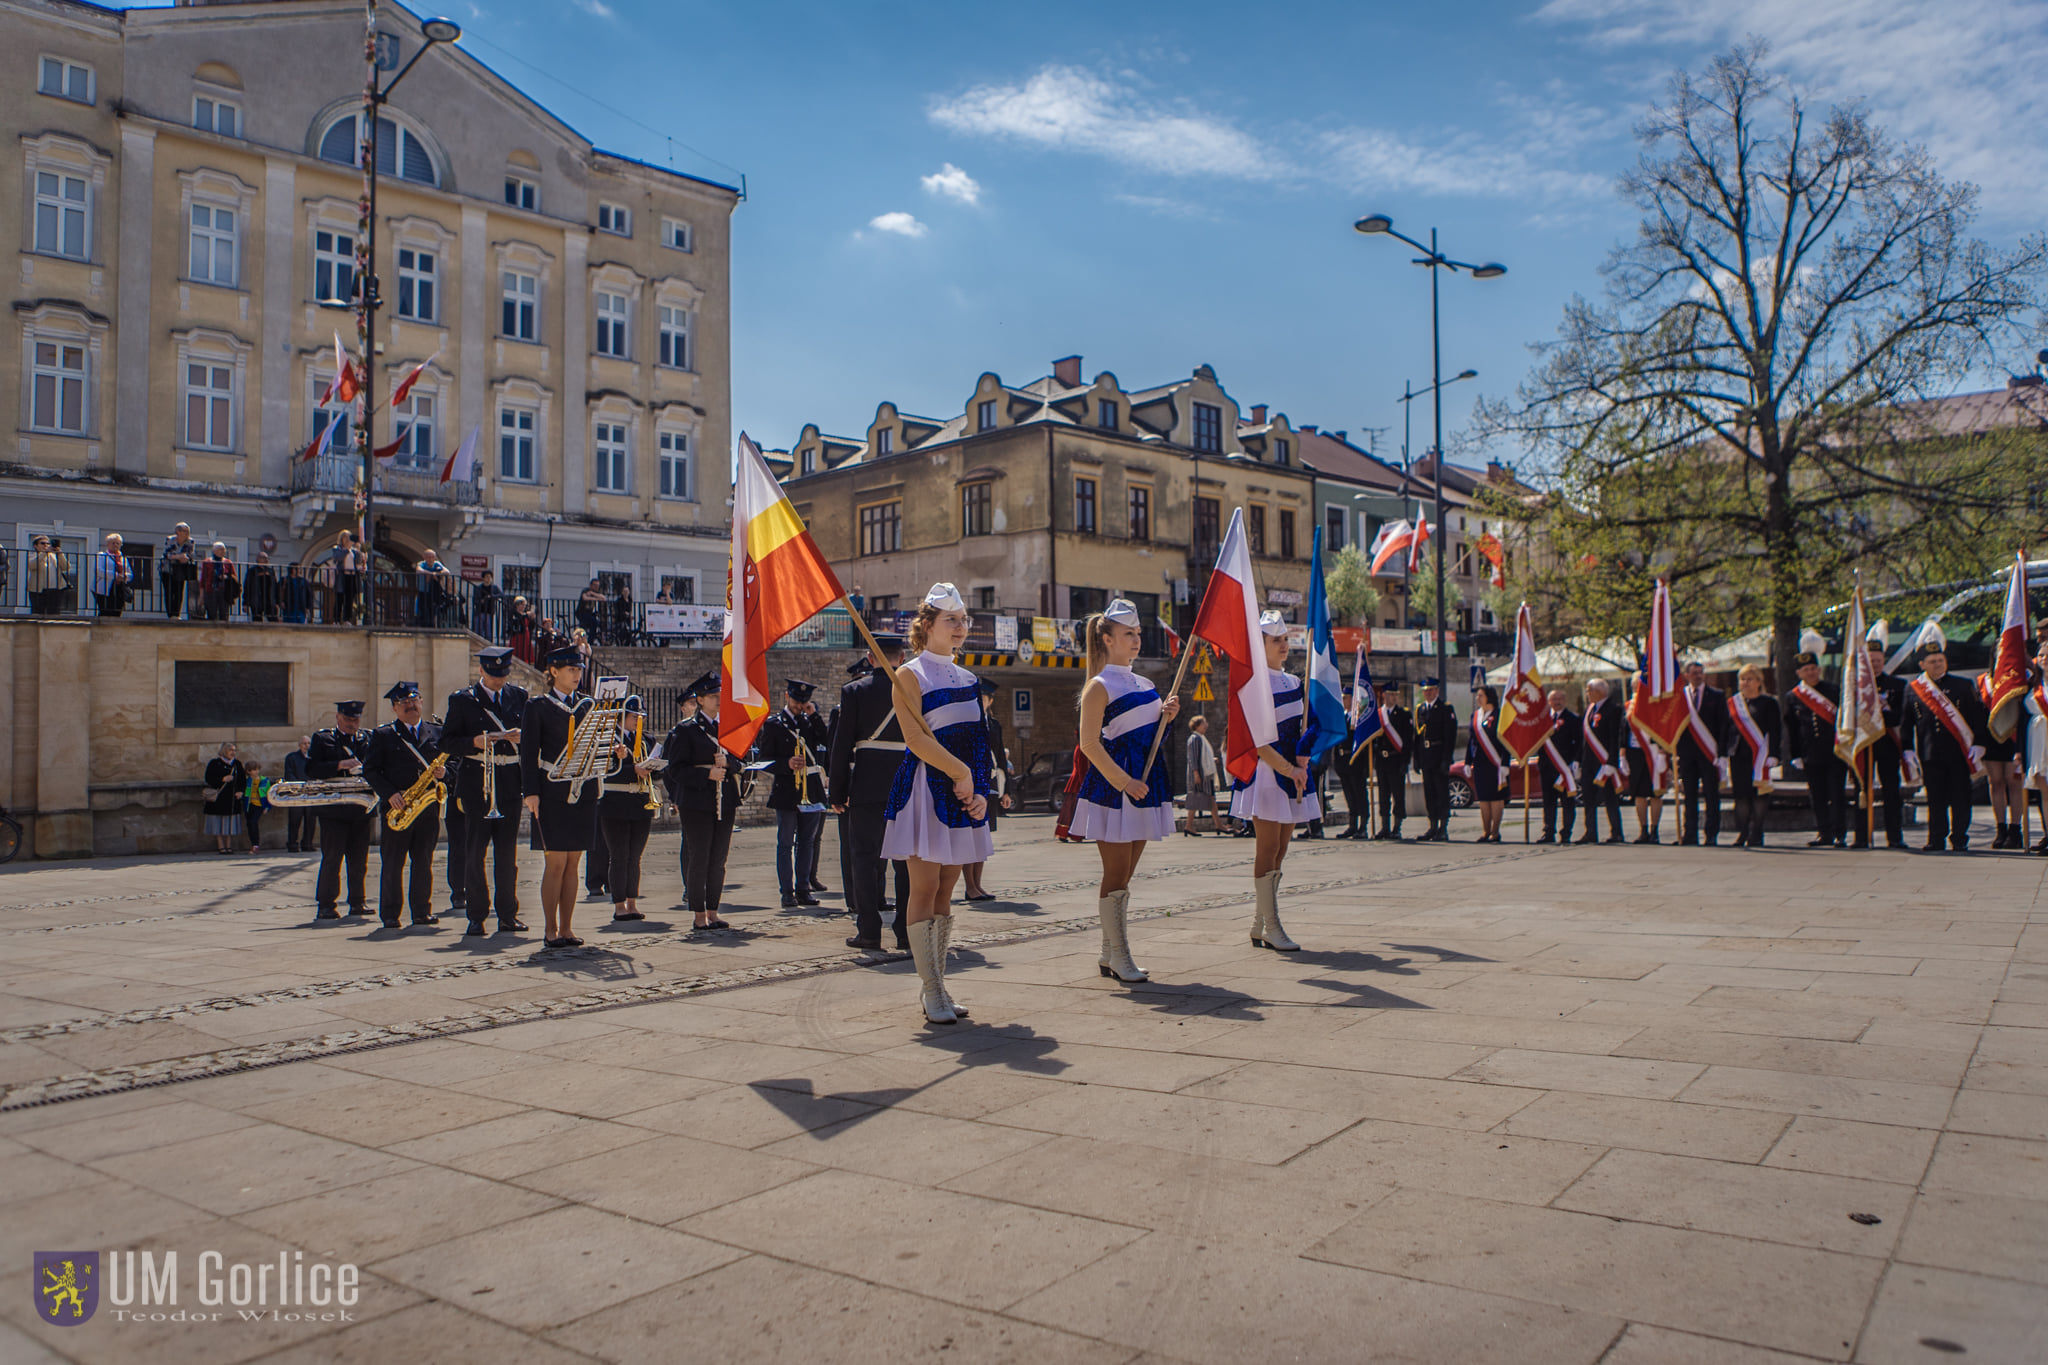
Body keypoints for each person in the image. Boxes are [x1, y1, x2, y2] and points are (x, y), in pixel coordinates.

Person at [881, 583, 993, 1024]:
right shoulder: (909, 675)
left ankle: (941, 985)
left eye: (964, 620)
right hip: (926, 790)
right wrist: (960, 774)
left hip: (963, 795)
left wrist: (979, 788)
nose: (961, 627)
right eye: (952, 620)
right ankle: (930, 990)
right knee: (924, 887)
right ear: (927, 625)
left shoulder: (969, 678)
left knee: (948, 888)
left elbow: (979, 741)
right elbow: (914, 740)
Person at [1071, 598, 1181, 982]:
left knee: (1128, 873)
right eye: (1127, 634)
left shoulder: (1147, 684)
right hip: (1115, 788)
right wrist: (1123, 782)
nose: (1136, 640)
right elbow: (1089, 744)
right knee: (1116, 874)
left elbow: (1150, 740)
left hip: (1145, 784)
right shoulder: (1098, 686)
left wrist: (1166, 716)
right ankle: (1119, 954)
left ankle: (1108, 951)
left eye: (1137, 634)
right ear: (1106, 639)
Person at [1230, 611, 1316, 951]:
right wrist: (1287, 768)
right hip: (1267, 774)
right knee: (1267, 848)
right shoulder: (1255, 684)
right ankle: (1273, 923)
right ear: (1260, 644)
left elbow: (1301, 729)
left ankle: (1261, 921)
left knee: (1281, 849)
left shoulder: (1295, 682)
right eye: (1275, 640)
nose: (1283, 645)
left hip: (1292, 774)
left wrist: (1304, 759)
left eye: (1285, 639)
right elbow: (1257, 741)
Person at [828, 636, 912, 951]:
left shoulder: (855, 691)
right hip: (906, 785)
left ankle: (869, 931)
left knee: (863, 859)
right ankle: (905, 932)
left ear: (869, 658)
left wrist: (837, 791)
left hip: (866, 786)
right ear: (901, 657)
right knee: (905, 862)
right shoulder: (913, 689)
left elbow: (841, 747)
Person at [439, 647, 529, 936]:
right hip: (477, 779)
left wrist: (520, 737)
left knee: (507, 853)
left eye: (502, 674)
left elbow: (532, 737)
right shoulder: (463, 700)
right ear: (481, 672)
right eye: (493, 675)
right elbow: (447, 742)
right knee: (474, 851)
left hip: (509, 780)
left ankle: (507, 914)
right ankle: (476, 915)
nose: (498, 680)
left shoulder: (518, 696)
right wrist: (474, 742)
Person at [521, 644, 602, 946]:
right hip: (551, 790)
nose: (577, 674)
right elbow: (528, 753)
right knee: (555, 862)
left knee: (573, 863)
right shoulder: (538, 706)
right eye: (571, 669)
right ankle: (550, 928)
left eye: (579, 669)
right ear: (553, 671)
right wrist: (530, 792)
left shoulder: (588, 705)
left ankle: (567, 927)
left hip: (582, 790)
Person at [363, 682, 444, 930]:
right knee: (393, 863)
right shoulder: (384, 735)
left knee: (423, 861)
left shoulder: (437, 732)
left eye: (413, 701)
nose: (410, 706)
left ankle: (421, 911)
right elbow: (371, 770)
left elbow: (454, 765)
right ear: (395, 709)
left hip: (427, 808)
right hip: (397, 809)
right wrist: (389, 794)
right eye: (403, 704)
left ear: (421, 702)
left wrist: (445, 773)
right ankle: (390, 914)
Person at [662, 672, 738, 932]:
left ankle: (714, 911)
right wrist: (706, 773)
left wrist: (728, 763)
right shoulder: (686, 730)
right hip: (697, 801)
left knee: (719, 858)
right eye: (713, 697)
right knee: (700, 856)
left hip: (724, 799)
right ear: (701, 700)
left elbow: (741, 761)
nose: (719, 701)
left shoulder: (728, 727)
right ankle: (698, 913)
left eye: (721, 696)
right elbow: (675, 769)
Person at [1906, 625, 1986, 852]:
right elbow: (1906, 722)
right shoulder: (1913, 689)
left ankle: (1959, 838)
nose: (1938, 664)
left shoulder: (1962, 685)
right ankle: (1936, 838)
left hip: (1959, 752)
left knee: (1961, 798)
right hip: (1930, 752)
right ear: (1922, 665)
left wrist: (1979, 744)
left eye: (1940, 660)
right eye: (1932, 662)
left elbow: (1977, 717)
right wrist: (1907, 749)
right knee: (1935, 800)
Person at [757, 679, 829, 908]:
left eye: (804, 701)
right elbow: (764, 761)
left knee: (807, 842)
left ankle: (804, 888)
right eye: (797, 700)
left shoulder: (810, 723)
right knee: (786, 843)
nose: (800, 705)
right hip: (787, 790)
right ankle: (787, 891)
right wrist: (786, 763)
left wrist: (814, 715)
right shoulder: (775, 725)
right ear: (787, 696)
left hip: (811, 789)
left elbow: (828, 740)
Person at [307, 701, 374, 917]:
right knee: (332, 858)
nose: (352, 724)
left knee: (359, 860)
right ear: (338, 717)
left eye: (356, 720)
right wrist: (338, 765)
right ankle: (326, 904)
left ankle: (357, 901)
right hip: (334, 809)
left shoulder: (368, 738)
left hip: (360, 807)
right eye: (348, 719)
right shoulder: (324, 738)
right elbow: (311, 768)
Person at [598, 695, 659, 922]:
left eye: (640, 716)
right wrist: (632, 769)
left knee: (635, 856)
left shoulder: (647, 739)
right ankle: (619, 904)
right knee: (619, 855)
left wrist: (654, 769)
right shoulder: (607, 738)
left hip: (640, 801)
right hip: (615, 801)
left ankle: (632, 901)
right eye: (634, 716)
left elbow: (658, 771)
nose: (638, 720)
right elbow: (603, 769)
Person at [1784, 640, 1845, 848]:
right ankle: (1823, 832)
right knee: (1817, 796)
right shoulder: (1793, 697)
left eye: (1813, 669)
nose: (1810, 673)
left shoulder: (1834, 691)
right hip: (1810, 753)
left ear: (1819, 670)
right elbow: (1792, 729)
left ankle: (1839, 834)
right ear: (1799, 674)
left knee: (1836, 794)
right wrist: (1795, 755)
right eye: (1806, 670)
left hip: (1834, 752)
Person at [962, 680, 1015, 900]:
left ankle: (978, 884)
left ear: (990, 701)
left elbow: (1001, 756)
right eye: (977, 698)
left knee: (983, 837)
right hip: (970, 783)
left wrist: (1007, 791)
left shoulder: (993, 725)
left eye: (984, 698)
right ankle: (970, 886)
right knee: (969, 836)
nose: (980, 702)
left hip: (989, 784)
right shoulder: (966, 723)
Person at [1857, 629, 1909, 850]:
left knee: (1891, 791)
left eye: (1878, 660)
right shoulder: (1856, 687)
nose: (1875, 664)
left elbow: (1901, 716)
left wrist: (1882, 713)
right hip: (1864, 744)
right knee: (1862, 790)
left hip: (1888, 742)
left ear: (1883, 660)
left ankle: (1894, 836)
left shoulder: (1897, 685)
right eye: (1871, 660)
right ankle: (1862, 836)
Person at [1726, 664, 1781, 848]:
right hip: (1738, 754)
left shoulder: (1768, 703)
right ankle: (1742, 833)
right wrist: (1721, 753)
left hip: (1760, 756)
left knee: (1759, 794)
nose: (1745, 683)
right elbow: (1725, 730)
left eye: (1750, 679)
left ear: (1759, 682)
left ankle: (1757, 832)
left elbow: (1775, 730)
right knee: (1741, 795)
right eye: (1742, 679)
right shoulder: (1733, 703)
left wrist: (1774, 754)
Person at [1676, 660, 1728, 846]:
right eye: (1694, 672)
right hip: (1687, 754)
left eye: (1701, 672)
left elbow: (1723, 725)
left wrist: (1722, 753)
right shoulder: (1680, 697)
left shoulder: (1717, 695)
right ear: (1687, 675)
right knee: (1689, 795)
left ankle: (1711, 834)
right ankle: (1689, 833)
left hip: (1710, 753)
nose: (1698, 675)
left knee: (1711, 795)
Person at [1975, 668, 2027, 850]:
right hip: (1991, 736)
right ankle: (2001, 829)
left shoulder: (2020, 677)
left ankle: (2015, 829)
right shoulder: (1983, 680)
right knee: (1995, 782)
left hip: (2013, 735)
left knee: (2014, 782)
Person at [1578, 678, 1628, 844]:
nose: (1587, 694)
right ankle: (1590, 832)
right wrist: (1579, 761)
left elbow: (1616, 737)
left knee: (1610, 799)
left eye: (1588, 690)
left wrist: (1612, 763)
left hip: (1604, 762)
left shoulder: (1613, 709)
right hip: (1589, 762)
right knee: (1588, 799)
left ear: (1598, 692)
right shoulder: (1589, 709)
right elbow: (1584, 739)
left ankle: (1616, 833)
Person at [1412, 677, 1457, 841]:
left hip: (1439, 755)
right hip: (1426, 756)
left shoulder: (1445, 708)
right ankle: (1432, 825)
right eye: (1425, 691)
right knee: (1429, 793)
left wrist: (1447, 759)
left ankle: (1443, 827)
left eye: (1431, 691)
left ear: (1437, 691)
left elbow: (1450, 736)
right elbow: (1417, 737)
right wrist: (1416, 759)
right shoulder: (1420, 709)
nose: (1428, 694)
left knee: (1441, 792)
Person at [1369, 681, 1414, 841]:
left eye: (1396, 694)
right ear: (1383, 695)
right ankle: (1385, 827)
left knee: (1398, 796)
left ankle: (1397, 827)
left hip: (1397, 760)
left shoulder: (1404, 714)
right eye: (1391, 694)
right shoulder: (1377, 714)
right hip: (1382, 760)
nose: (1393, 697)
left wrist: (1405, 762)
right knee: (1383, 796)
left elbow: (1408, 741)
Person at [1626, 679, 1669, 844]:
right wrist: (1622, 754)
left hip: (1654, 752)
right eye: (1636, 685)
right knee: (1639, 795)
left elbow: (1662, 728)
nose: (1638, 687)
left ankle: (1654, 830)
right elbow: (1624, 731)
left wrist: (1662, 751)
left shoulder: (1655, 704)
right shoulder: (1627, 706)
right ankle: (1643, 830)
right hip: (1634, 754)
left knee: (1656, 793)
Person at [1539, 688, 1582, 844]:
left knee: (1567, 802)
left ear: (1565, 700)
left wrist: (1576, 761)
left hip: (1565, 768)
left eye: (1560, 699)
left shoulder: (1573, 719)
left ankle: (1566, 833)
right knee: (1548, 801)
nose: (1557, 702)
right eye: (1553, 699)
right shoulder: (1543, 720)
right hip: (1546, 767)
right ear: (1549, 702)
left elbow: (1579, 742)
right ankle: (1548, 831)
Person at [1466, 685, 1508, 843]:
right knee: (1483, 798)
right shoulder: (1476, 716)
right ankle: (1485, 831)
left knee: (1496, 798)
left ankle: (1495, 832)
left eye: (1481, 695)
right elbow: (1472, 740)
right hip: (1480, 763)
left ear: (1489, 697)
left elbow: (1505, 741)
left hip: (1496, 763)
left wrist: (1505, 763)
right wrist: (1468, 761)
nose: (1478, 698)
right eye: (1477, 696)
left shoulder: (1500, 715)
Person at [2024, 638, 2048, 854]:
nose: (2045, 659)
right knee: (2045, 792)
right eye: (2042, 655)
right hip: (2039, 740)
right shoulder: (2033, 684)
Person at [202, 741, 244, 853]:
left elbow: (242, 780)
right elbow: (208, 778)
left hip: (232, 799)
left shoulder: (237, 764)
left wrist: (240, 791)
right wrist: (222, 779)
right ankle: (221, 846)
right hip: (219, 799)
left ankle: (228, 846)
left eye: (234, 750)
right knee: (218, 823)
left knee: (229, 825)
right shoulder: (215, 763)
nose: (233, 753)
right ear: (224, 751)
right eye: (231, 750)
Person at [1184, 714, 1221, 836]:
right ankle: (1218, 825)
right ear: (1197, 725)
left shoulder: (1201, 738)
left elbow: (1202, 757)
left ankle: (1189, 826)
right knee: (1203, 798)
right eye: (1204, 722)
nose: (1206, 725)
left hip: (1203, 774)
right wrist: (1196, 774)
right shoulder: (1195, 739)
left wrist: (1211, 760)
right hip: (1199, 775)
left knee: (1208, 798)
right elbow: (1193, 758)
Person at [283, 735, 318, 853]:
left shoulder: (314, 758)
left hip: (311, 793)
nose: (306, 746)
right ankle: (292, 844)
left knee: (310, 820)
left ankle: (307, 844)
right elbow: (289, 774)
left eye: (308, 743)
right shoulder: (292, 758)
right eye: (304, 743)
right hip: (296, 793)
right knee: (294, 820)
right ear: (299, 745)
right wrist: (299, 786)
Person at [25, 535, 71, 617]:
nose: (45, 545)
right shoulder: (33, 555)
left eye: (48, 543)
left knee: (54, 613)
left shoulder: (54, 556)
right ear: (35, 546)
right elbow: (32, 565)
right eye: (42, 543)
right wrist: (44, 553)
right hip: (38, 590)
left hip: (56, 589)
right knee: (38, 612)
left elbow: (66, 567)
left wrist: (60, 553)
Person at [326, 531, 366, 625]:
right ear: (341, 539)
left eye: (349, 537)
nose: (347, 539)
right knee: (339, 598)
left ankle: (347, 619)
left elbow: (359, 562)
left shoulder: (354, 551)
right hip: (342, 575)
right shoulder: (337, 549)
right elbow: (338, 558)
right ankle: (336, 620)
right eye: (345, 537)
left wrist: (359, 551)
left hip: (352, 576)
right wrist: (347, 549)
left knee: (349, 599)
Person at [160, 523, 198, 620]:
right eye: (184, 531)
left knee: (179, 591)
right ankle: (170, 614)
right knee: (169, 591)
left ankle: (176, 614)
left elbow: (190, 555)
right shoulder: (170, 540)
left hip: (181, 570)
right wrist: (178, 556)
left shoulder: (190, 542)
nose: (186, 533)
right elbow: (166, 554)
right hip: (167, 569)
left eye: (187, 531)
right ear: (178, 532)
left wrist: (185, 558)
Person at [93, 533, 131, 618]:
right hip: (104, 589)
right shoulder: (102, 556)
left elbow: (130, 574)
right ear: (107, 544)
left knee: (117, 611)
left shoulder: (123, 558)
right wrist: (115, 575)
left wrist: (124, 576)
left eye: (118, 543)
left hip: (119, 588)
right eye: (113, 543)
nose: (115, 545)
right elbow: (99, 571)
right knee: (105, 611)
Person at [242, 760, 271, 853]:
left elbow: (269, 794)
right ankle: (253, 844)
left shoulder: (264, 781)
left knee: (253, 822)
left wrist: (267, 807)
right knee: (250, 824)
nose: (256, 772)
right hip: (249, 805)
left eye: (257, 770)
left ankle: (256, 844)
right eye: (253, 770)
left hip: (259, 805)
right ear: (248, 771)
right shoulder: (247, 781)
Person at [246, 551, 280, 623]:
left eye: (267, 558)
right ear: (258, 559)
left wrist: (277, 601)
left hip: (269, 599)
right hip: (257, 599)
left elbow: (275, 586)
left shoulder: (270, 571)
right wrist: (245, 603)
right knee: (257, 620)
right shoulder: (252, 571)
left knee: (273, 619)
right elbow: (247, 586)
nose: (266, 560)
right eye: (264, 558)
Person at [611, 581, 635, 647]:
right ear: (622, 592)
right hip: (620, 618)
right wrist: (624, 613)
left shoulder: (630, 600)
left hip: (627, 618)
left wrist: (630, 615)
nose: (626, 593)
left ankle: (626, 644)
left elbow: (630, 609)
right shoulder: (620, 600)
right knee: (622, 632)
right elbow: (619, 609)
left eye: (627, 591)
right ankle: (621, 643)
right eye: (624, 591)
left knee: (629, 633)